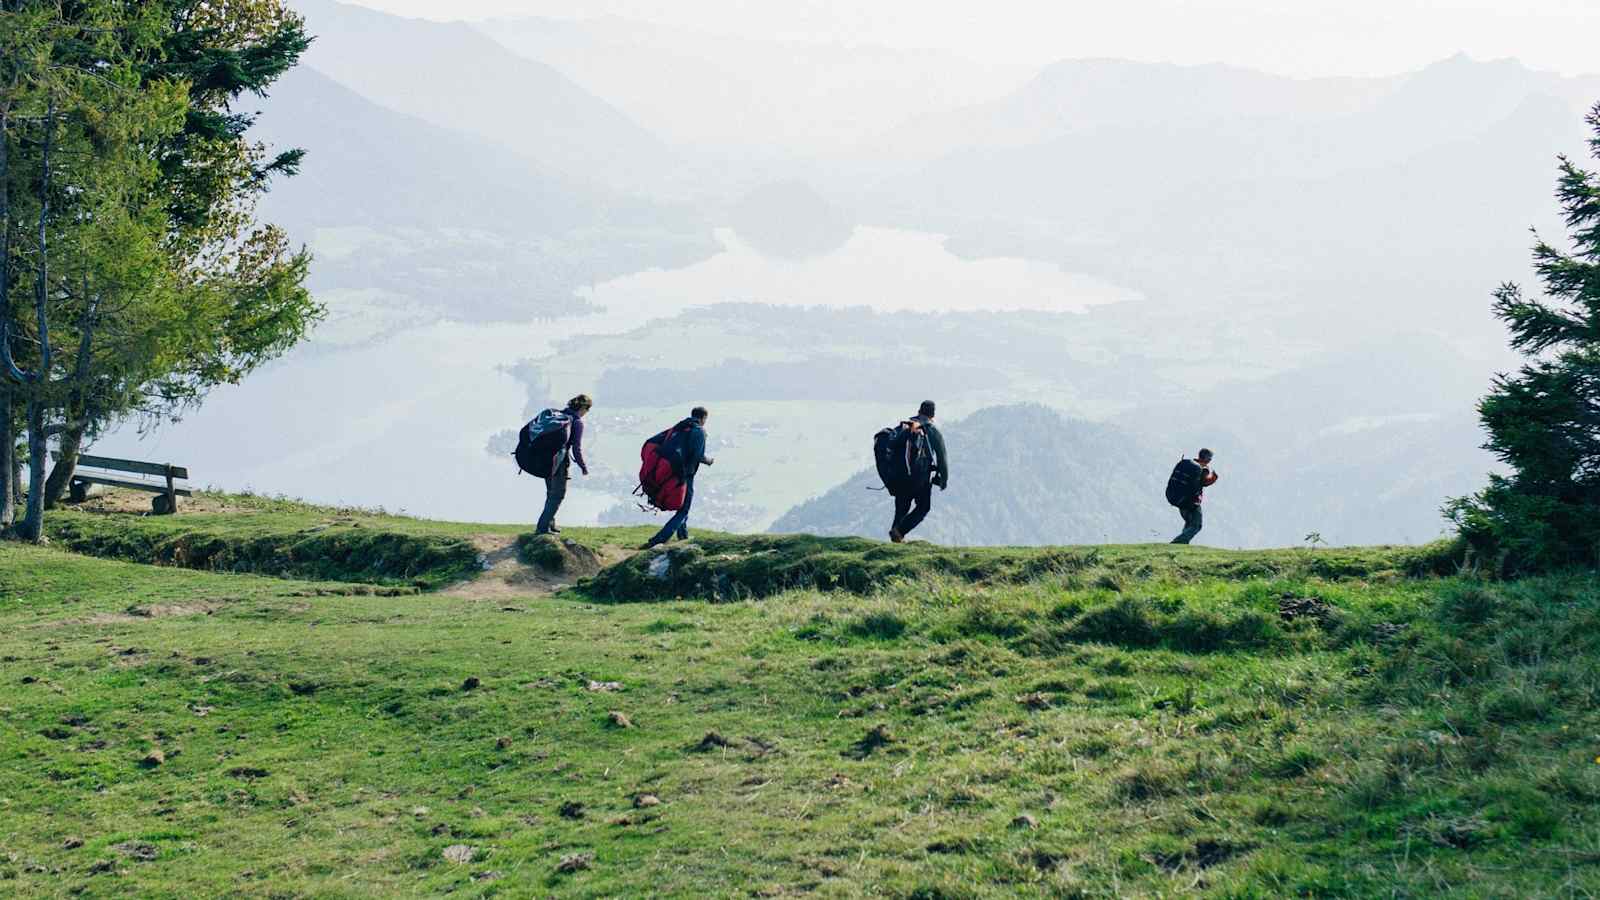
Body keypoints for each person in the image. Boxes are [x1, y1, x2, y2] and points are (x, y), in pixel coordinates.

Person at [644, 406, 714, 548]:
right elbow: (697, 456)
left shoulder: (681, 427)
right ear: (703, 418)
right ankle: (659, 539)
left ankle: (683, 536)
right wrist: (709, 461)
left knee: (682, 505)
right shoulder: (699, 431)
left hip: (672, 472)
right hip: (685, 474)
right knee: (684, 509)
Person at [889, 400, 949, 543]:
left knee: (901, 509)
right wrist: (943, 480)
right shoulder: (931, 430)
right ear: (932, 415)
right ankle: (899, 532)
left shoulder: (905, 427)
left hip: (899, 476)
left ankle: (896, 539)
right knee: (923, 507)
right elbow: (942, 457)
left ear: (919, 411)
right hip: (920, 479)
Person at [535, 394, 592, 535]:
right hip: (559, 463)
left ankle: (550, 524)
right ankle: (542, 528)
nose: (587, 413)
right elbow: (576, 448)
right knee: (558, 495)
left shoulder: (559, 415)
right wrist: (583, 466)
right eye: (587, 409)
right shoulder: (577, 422)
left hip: (546, 460)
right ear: (583, 407)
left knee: (550, 493)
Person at [1168, 448, 1219, 545]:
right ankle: (1177, 543)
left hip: (1180, 500)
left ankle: (1182, 544)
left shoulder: (1188, 464)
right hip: (1191, 503)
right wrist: (1213, 478)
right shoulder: (1203, 469)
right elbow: (1204, 482)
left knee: (1189, 523)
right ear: (1207, 459)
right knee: (1196, 525)